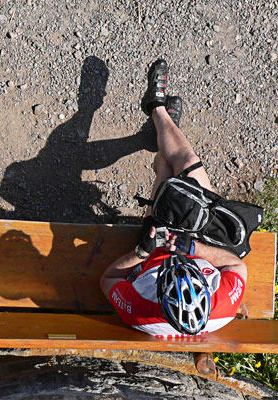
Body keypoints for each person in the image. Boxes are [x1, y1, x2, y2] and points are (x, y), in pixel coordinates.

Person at [99, 59, 247, 337]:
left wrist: (142, 252)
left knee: (168, 172)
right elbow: (237, 265)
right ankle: (161, 121)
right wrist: (194, 250)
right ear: (206, 292)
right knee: (188, 164)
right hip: (202, 238)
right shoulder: (223, 306)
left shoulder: (141, 312)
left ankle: (158, 114)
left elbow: (108, 279)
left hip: (154, 243)